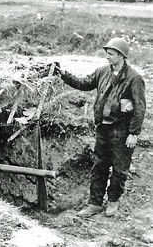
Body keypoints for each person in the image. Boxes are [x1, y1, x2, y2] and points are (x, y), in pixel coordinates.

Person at [54, 37, 146, 217]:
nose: (107, 57)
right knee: (99, 166)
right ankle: (94, 203)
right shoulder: (102, 72)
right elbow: (83, 83)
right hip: (103, 128)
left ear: (121, 56)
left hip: (122, 130)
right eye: (107, 54)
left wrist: (134, 133)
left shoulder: (134, 78)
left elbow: (140, 108)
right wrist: (64, 74)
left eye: (111, 54)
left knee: (120, 169)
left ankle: (113, 202)